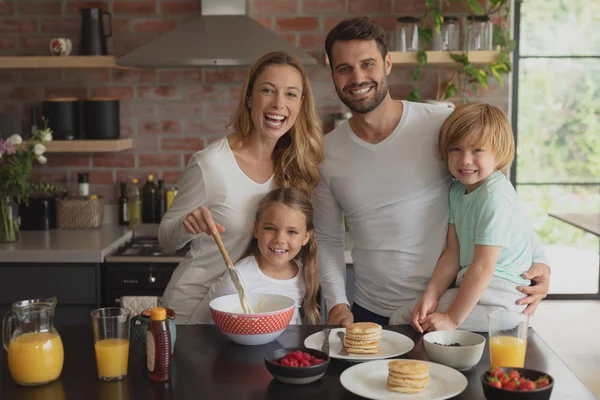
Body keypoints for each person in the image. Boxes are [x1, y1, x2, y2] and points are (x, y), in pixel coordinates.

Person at [314, 17, 551, 327]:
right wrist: (336, 303)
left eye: (367, 64)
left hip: (452, 305)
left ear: (387, 63)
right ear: (332, 73)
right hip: (369, 310)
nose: (357, 77)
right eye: (344, 68)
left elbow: (494, 194)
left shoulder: (440, 122)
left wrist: (541, 261)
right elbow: (329, 239)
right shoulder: (325, 152)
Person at [158, 52, 324, 324]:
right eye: (267, 90)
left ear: (301, 103)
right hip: (193, 313)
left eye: (291, 94)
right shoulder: (211, 164)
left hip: (248, 309)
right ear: (249, 98)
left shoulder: (294, 165)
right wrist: (186, 226)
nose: (278, 103)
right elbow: (166, 239)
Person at [389, 103, 535, 332]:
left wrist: (452, 320)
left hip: (502, 298)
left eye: (477, 150)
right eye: (456, 149)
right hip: (475, 288)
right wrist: (431, 295)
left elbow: (483, 267)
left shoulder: (495, 196)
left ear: (500, 152)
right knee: (408, 315)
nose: (465, 160)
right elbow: (453, 253)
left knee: (405, 320)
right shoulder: (458, 192)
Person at [189, 188, 320, 325]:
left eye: (292, 231)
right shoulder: (237, 279)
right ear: (256, 229)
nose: (280, 239)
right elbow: (198, 323)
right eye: (270, 228)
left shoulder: (303, 274)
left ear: (306, 237)